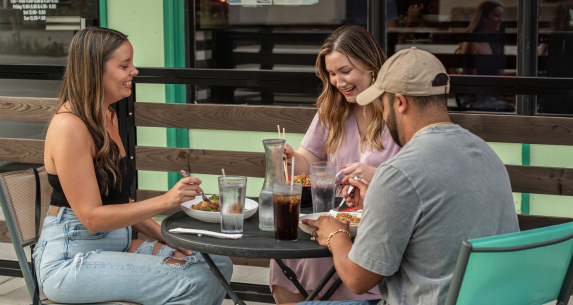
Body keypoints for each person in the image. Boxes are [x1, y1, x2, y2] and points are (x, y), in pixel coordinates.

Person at [293, 47, 519, 305]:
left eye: (382, 102)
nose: (383, 114)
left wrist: (335, 234)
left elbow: (357, 280)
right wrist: (378, 200)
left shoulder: (400, 172)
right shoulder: (486, 152)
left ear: (399, 103)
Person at [35, 27, 232, 305]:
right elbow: (92, 218)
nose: (135, 71)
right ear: (94, 71)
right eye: (125, 65)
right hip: (71, 260)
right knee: (192, 281)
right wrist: (166, 201)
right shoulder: (70, 126)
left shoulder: (107, 116)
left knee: (218, 264)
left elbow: (118, 200)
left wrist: (166, 236)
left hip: (117, 245)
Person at [270, 24, 400, 303]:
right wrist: (292, 160)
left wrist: (377, 175)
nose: (338, 81)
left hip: (379, 224)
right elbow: (309, 163)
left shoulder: (397, 111)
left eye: (345, 71)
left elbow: (417, 175)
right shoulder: (332, 108)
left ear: (371, 65)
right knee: (285, 252)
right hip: (336, 219)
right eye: (331, 73)